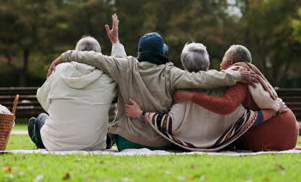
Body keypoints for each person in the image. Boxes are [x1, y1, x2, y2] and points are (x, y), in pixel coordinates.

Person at [47, 18, 259, 151]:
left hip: (126, 142)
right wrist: (235, 77)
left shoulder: (125, 67)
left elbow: (91, 57)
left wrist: (63, 57)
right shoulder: (171, 73)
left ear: (141, 52)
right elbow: (202, 78)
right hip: (161, 141)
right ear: (162, 52)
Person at [124, 43, 285, 151]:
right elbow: (243, 118)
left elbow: (170, 124)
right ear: (208, 63)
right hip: (223, 145)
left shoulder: (179, 90)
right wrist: (274, 108)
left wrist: (142, 114)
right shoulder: (226, 85)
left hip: (184, 145)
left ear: (184, 64)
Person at [28, 15, 126, 151]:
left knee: (40, 119)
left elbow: (42, 98)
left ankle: (41, 140)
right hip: (95, 144)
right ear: (98, 55)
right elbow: (122, 68)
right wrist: (115, 42)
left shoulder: (59, 71)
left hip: (55, 143)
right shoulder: (107, 78)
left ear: (76, 53)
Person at [174, 45, 299, 151]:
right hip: (285, 131)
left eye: (223, 59)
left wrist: (191, 96)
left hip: (272, 135)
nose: (219, 64)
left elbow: (226, 106)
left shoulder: (241, 76)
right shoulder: (246, 74)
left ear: (230, 63)